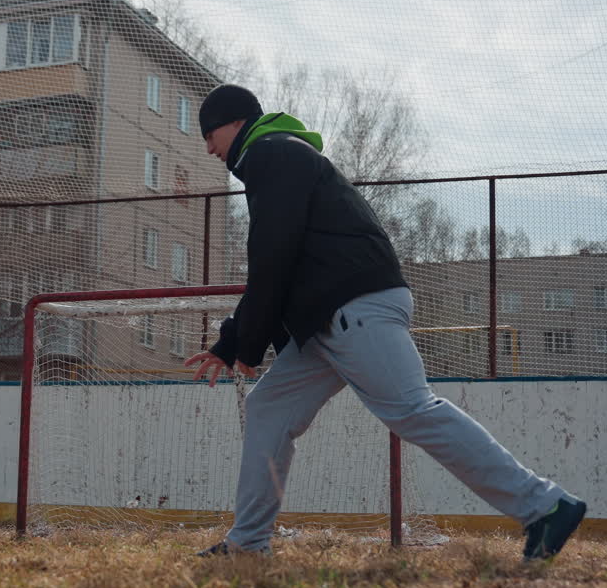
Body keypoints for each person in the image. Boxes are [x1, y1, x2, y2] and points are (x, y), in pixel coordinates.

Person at [185, 85, 586, 561]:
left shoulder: (272, 154)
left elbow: (273, 258)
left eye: (210, 134)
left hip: (353, 309)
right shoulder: (280, 157)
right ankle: (248, 544)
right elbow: (284, 262)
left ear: (235, 123)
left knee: (413, 410)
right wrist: (235, 340)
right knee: (268, 407)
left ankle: (545, 506)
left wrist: (241, 341)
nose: (210, 148)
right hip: (333, 318)